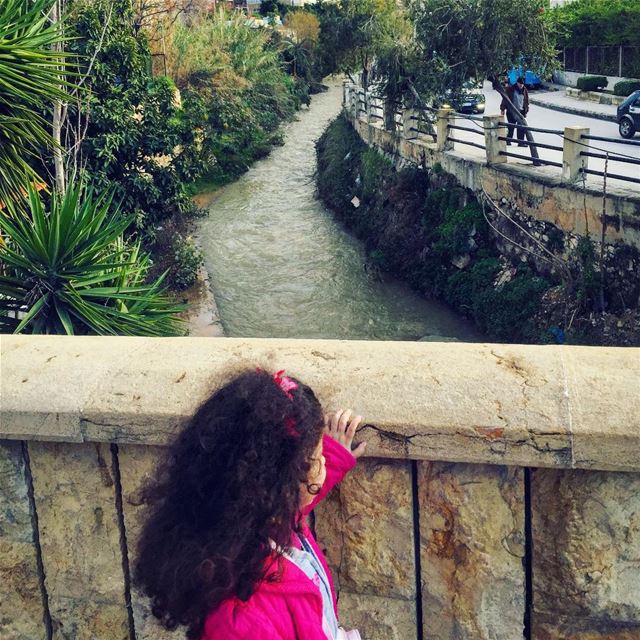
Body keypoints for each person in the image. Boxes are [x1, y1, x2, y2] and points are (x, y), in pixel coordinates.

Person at [134, 368, 366, 640]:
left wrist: (334, 457)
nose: (323, 462)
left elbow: (297, 503)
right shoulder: (242, 622)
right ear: (281, 482)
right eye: (315, 459)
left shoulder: (261, 522)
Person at [500, 77, 530, 147]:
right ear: (517, 83)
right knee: (511, 126)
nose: (521, 85)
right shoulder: (511, 89)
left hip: (521, 112)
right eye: (520, 84)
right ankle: (508, 140)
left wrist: (526, 109)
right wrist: (502, 109)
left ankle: (521, 142)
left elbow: (526, 101)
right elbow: (505, 99)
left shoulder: (524, 90)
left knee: (521, 128)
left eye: (522, 84)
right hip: (511, 111)